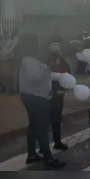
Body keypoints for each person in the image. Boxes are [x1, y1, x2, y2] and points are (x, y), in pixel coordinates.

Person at [18, 33, 66, 169]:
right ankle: (48, 158)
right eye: (37, 42)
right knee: (42, 128)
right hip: (35, 98)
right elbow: (35, 77)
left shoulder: (31, 59)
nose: (39, 45)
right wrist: (48, 68)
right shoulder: (28, 60)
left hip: (35, 96)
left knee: (34, 126)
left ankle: (32, 154)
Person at [46, 43, 71, 150]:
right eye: (54, 50)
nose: (56, 52)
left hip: (59, 94)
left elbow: (67, 74)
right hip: (48, 94)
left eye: (57, 49)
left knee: (56, 120)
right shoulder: (46, 62)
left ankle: (57, 141)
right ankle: (44, 145)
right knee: (46, 121)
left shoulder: (62, 61)